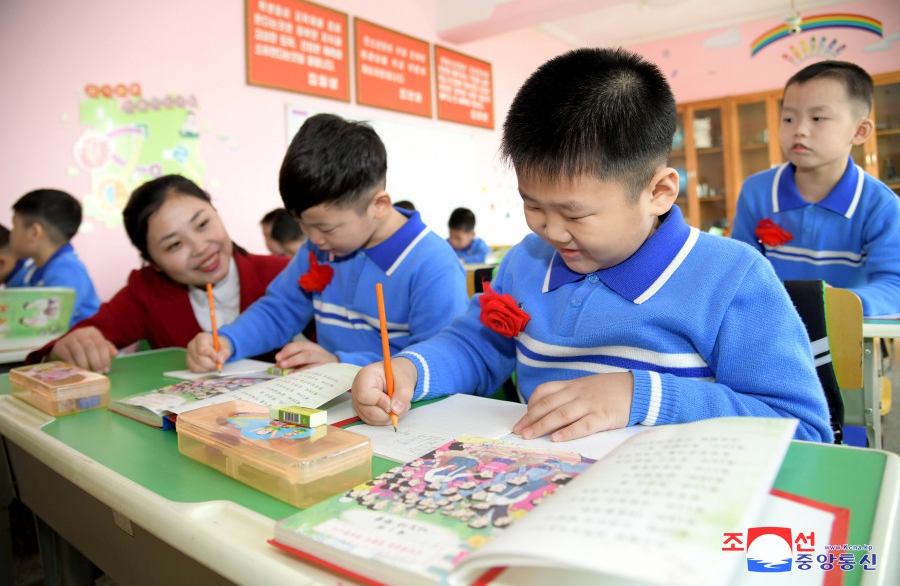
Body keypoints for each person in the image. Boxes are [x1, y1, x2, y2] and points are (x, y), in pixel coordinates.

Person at [352, 48, 832, 443]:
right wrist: (413, 371)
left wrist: (638, 397)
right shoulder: (526, 261)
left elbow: (803, 431)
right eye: (532, 205)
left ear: (658, 192)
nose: (551, 231)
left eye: (575, 213)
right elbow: (478, 348)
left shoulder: (731, 278)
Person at [186, 114, 468, 372]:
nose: (313, 239)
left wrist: (340, 364)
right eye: (303, 226)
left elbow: (440, 359)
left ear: (379, 205)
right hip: (334, 404)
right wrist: (227, 341)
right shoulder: (321, 248)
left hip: (404, 413)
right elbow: (280, 309)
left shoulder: (431, 263)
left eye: (325, 227)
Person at [26, 175, 289, 373]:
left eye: (202, 224)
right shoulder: (146, 291)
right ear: (154, 262)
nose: (200, 248)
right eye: (174, 245)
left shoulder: (280, 274)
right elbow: (70, 345)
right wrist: (65, 351)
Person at [732, 60, 900, 317]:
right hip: (771, 327)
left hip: (845, 335)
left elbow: (894, 287)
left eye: (818, 118)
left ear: (859, 131)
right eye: (788, 118)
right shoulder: (756, 191)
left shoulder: (880, 205)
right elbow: (740, 268)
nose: (799, 130)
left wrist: (837, 302)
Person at [7, 189, 101, 326]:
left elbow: (47, 326)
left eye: (15, 226)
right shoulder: (30, 270)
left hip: (82, 346)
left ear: (34, 232)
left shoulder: (68, 272)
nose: (11, 234)